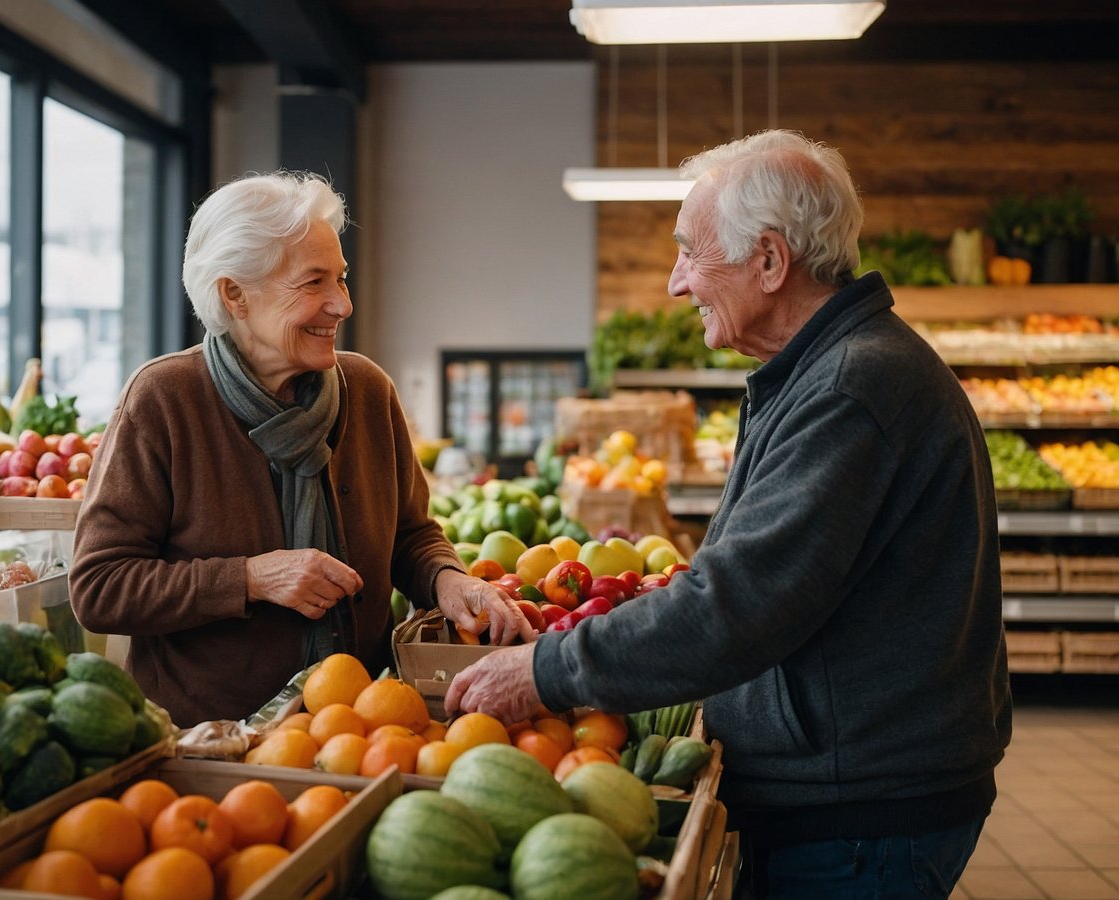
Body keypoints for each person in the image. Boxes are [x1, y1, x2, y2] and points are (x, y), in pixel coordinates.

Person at [445, 130, 1012, 899]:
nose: (678, 283)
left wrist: (546, 672)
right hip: (856, 784)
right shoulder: (828, 372)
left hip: (863, 814)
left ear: (770, 263)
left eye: (689, 252)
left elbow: (738, 602)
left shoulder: (850, 391)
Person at [70, 171, 533, 728]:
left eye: (341, 278)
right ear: (234, 294)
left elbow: (410, 534)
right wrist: (251, 578)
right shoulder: (163, 400)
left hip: (364, 722)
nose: (342, 304)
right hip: (211, 743)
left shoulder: (368, 391)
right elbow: (99, 587)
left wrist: (448, 579)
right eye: (314, 283)